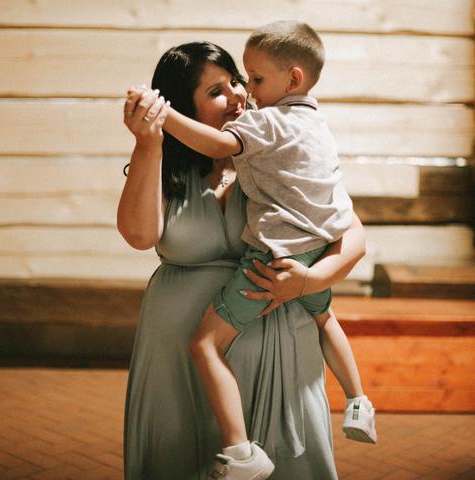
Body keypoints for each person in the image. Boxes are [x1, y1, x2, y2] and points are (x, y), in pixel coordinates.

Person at [131, 21, 376, 480]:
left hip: (282, 351)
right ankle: (356, 400)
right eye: (216, 91)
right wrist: (149, 143)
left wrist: (310, 281)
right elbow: (139, 235)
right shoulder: (170, 168)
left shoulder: (277, 150)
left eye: (241, 81)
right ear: (186, 105)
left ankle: (252, 448)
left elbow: (352, 234)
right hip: (176, 366)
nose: (239, 95)